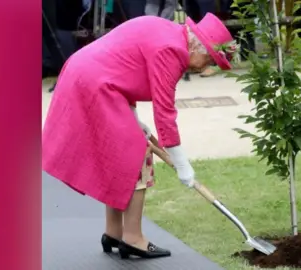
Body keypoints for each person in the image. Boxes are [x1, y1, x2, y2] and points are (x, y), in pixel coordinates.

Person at [42, 13, 239, 259]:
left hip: (90, 77)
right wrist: (182, 165)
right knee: (137, 154)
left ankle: (113, 232)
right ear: (197, 44)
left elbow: (126, 68)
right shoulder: (172, 50)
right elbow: (165, 114)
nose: (205, 66)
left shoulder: (168, 34)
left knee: (119, 152)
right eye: (210, 58)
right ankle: (133, 238)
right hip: (95, 84)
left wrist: (135, 119)